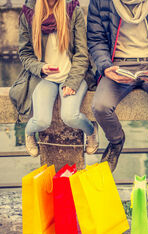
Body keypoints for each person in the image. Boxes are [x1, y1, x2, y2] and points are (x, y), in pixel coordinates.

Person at [87, 0, 148, 172]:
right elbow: (96, 40)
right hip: (117, 66)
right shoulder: (99, 2)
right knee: (100, 107)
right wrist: (106, 67)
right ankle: (116, 141)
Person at [16, 0, 99, 157]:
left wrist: (72, 82)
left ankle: (91, 131)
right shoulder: (29, 14)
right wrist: (40, 68)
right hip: (44, 78)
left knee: (70, 117)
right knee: (41, 121)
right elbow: (25, 54)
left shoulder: (73, 10)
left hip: (73, 75)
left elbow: (82, 53)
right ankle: (28, 132)